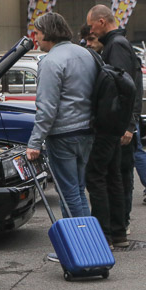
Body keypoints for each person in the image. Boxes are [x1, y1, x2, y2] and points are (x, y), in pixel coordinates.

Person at [26, 13, 96, 232]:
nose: (35, 38)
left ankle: (79, 241)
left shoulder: (51, 61)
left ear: (48, 33)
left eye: (37, 32)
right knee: (79, 189)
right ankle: (88, 238)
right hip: (87, 130)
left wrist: (34, 143)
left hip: (63, 135)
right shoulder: (85, 54)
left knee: (69, 193)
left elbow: (47, 108)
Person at [81, 23, 146, 214]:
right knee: (119, 172)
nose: (89, 43)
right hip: (120, 124)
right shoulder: (112, 49)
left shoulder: (116, 47)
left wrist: (129, 125)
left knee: (121, 172)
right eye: (86, 40)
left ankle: (122, 219)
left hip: (120, 124)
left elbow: (126, 89)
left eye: (92, 38)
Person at [86, 4, 142, 248]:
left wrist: (125, 125)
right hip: (117, 125)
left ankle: (106, 234)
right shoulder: (118, 43)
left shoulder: (115, 46)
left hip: (110, 125)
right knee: (114, 177)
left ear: (101, 21)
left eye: (91, 26)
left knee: (100, 177)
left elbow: (121, 86)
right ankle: (117, 233)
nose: (91, 31)